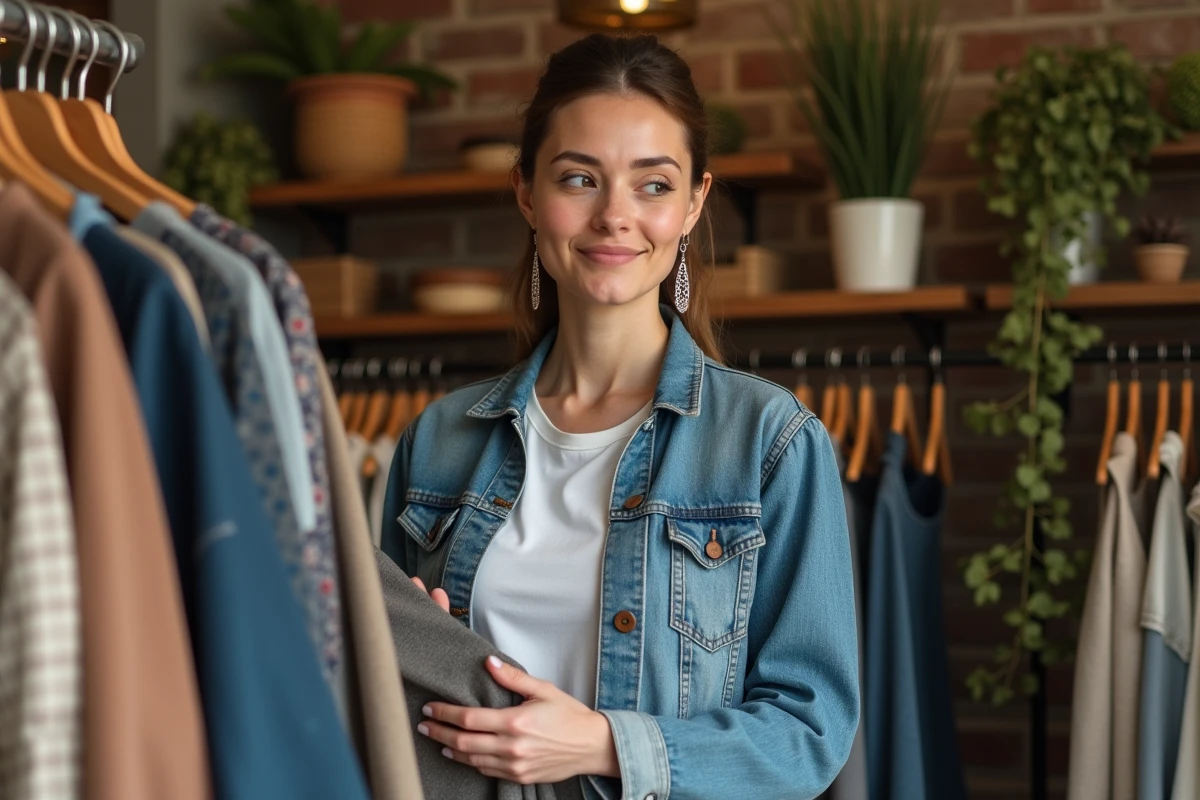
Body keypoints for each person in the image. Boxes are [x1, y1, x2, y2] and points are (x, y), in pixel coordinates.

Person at [380, 32, 859, 800]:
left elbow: (810, 735)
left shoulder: (770, 443)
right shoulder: (437, 441)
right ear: (527, 195)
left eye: (653, 185)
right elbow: (372, 696)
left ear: (695, 202)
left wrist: (605, 744)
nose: (614, 216)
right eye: (579, 178)